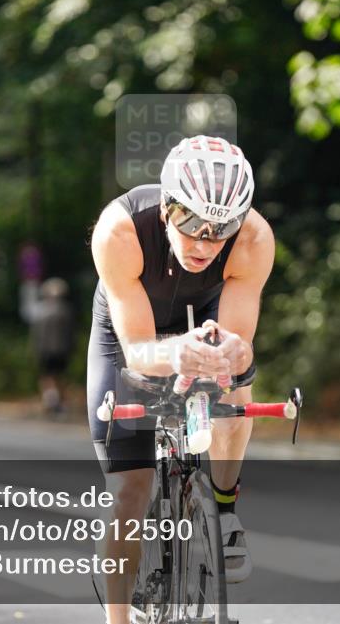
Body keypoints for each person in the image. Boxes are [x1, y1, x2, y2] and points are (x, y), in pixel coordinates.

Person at [88, 135, 274, 623]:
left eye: (221, 230)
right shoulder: (119, 233)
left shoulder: (253, 239)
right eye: (192, 225)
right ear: (169, 208)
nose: (204, 244)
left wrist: (234, 350)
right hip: (129, 327)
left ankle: (225, 510)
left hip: (206, 310)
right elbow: (139, 352)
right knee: (130, 489)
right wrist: (176, 352)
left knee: (234, 387)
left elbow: (241, 341)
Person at [30, 277, 74, 417]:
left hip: (44, 350)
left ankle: (49, 402)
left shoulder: (40, 311)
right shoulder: (66, 311)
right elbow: (70, 333)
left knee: (46, 377)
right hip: (63, 350)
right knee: (61, 377)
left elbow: (36, 334)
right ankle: (61, 403)